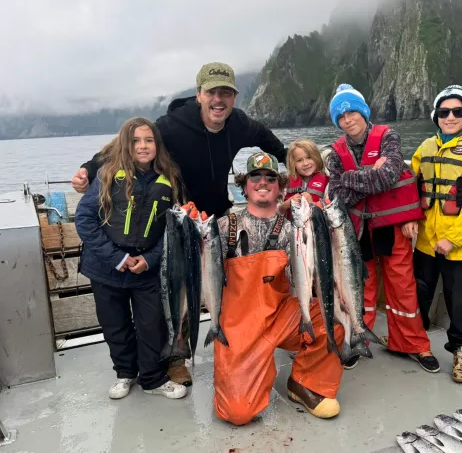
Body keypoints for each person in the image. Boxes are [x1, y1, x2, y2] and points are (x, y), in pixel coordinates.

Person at [71, 62, 288, 386]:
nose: (219, 99)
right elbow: (124, 146)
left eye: (226, 93)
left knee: (233, 280)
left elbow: (266, 138)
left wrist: (292, 163)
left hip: (217, 218)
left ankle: (245, 335)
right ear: (199, 95)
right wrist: (88, 169)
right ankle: (176, 357)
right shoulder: (172, 125)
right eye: (212, 92)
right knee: (179, 291)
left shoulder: (239, 123)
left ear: (233, 98)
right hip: (180, 219)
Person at [187, 151, 345, 426]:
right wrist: (188, 232)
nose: (263, 182)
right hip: (238, 327)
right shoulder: (223, 227)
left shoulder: (295, 227)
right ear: (244, 186)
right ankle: (244, 375)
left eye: (270, 177)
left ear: (281, 185)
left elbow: (312, 275)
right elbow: (197, 273)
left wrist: (325, 226)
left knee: (332, 321)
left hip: (280, 315)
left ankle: (305, 383)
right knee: (237, 414)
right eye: (255, 177)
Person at [326, 84, 439, 373]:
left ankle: (413, 344)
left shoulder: (389, 136)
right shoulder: (335, 154)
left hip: (392, 227)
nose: (347, 119)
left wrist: (353, 178)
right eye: (341, 116)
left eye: (351, 112)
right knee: (359, 287)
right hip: (356, 230)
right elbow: (339, 195)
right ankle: (354, 338)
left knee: (402, 286)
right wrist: (368, 174)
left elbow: (388, 177)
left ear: (363, 112)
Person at [74, 117, 187, 400]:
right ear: (125, 144)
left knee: (152, 324)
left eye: (149, 140)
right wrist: (118, 258)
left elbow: (175, 228)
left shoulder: (170, 179)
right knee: (115, 325)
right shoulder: (106, 175)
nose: (143, 146)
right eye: (136, 141)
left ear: (157, 145)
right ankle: (125, 373)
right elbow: (85, 220)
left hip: (148, 269)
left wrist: (150, 259)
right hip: (106, 268)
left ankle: (152, 377)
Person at [411, 85, 462, 384]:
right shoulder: (425, 147)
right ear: (436, 115)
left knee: (459, 302)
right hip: (424, 240)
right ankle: (412, 340)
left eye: (458, 112)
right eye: (444, 112)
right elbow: (410, 184)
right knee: (418, 292)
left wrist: (453, 238)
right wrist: (409, 220)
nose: (450, 117)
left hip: (458, 244)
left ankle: (461, 352)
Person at [279, 139, 329, 218]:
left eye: (309, 158)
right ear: (293, 163)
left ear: (317, 158)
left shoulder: (327, 182)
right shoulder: (285, 182)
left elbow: (331, 214)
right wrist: (285, 205)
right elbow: (275, 212)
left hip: (316, 227)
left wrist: (311, 204)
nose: (305, 163)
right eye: (299, 160)